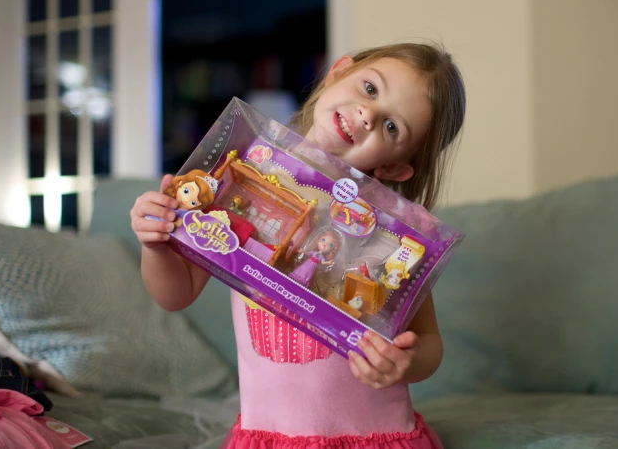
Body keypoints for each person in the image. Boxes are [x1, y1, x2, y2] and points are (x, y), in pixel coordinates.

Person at [130, 42, 466, 449]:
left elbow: (429, 342)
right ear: (337, 71)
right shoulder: (240, 171)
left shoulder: (392, 238)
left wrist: (407, 363)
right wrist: (157, 244)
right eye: (370, 89)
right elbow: (175, 294)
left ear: (394, 166)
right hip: (268, 436)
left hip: (373, 438)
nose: (367, 115)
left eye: (392, 127)